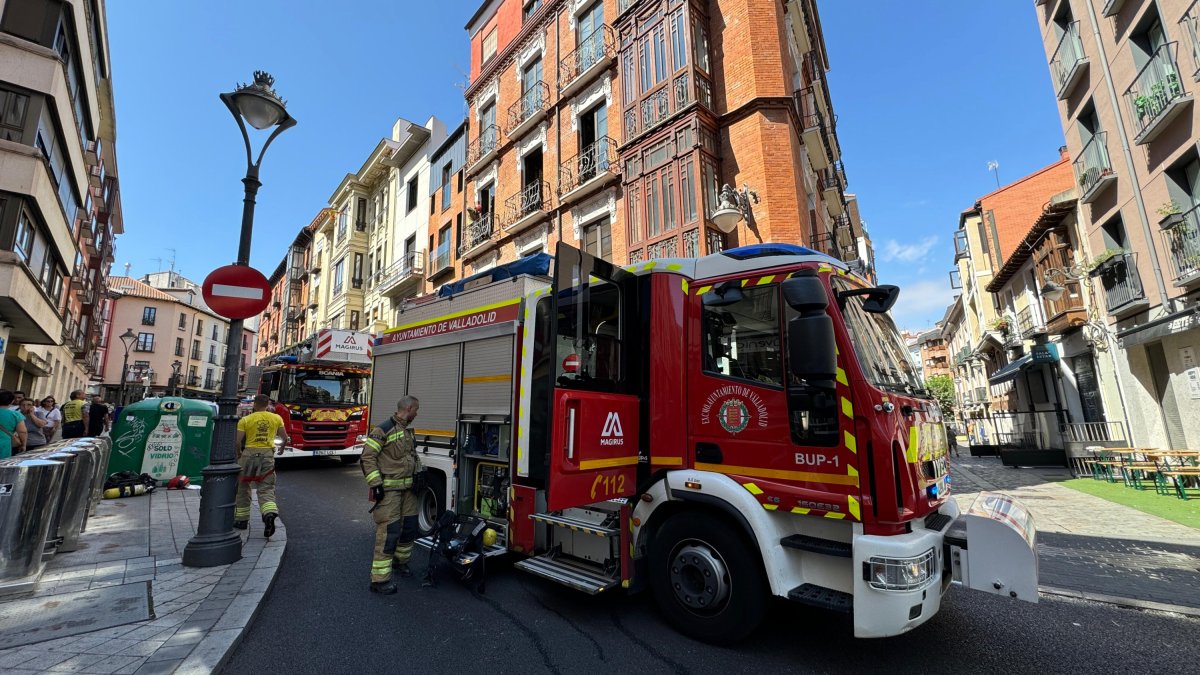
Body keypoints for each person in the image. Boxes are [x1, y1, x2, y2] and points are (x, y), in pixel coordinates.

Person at [362, 396, 422, 595]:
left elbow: (411, 456)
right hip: (389, 493)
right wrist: (375, 484)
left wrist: (420, 474)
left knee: (410, 528)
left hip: (408, 491)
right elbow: (367, 457)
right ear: (409, 408)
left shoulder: (406, 430)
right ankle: (379, 580)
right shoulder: (383, 429)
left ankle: (400, 563)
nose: (417, 413)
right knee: (389, 533)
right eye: (416, 410)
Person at [234, 394, 290, 537]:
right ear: (267, 405)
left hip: (248, 455)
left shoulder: (245, 420)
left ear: (254, 404)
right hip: (267, 456)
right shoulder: (276, 418)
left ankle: (241, 520)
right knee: (266, 488)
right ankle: (269, 514)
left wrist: (239, 453)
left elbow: (237, 441)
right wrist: (282, 449)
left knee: (243, 487)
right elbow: (285, 438)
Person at [0, 391, 28, 459]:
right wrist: (23, 445)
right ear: (12, 401)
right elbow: (22, 432)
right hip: (4, 444)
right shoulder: (15, 415)